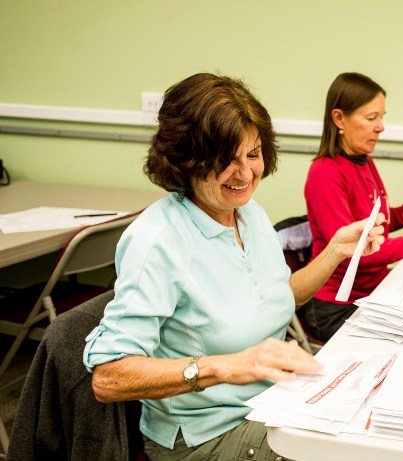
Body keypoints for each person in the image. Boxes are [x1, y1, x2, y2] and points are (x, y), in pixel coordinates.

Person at [82, 73, 385, 460]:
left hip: (273, 402)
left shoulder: (249, 214)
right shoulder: (159, 240)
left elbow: (278, 297)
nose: (245, 174)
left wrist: (336, 250)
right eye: (226, 160)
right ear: (186, 159)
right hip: (204, 436)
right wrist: (227, 367)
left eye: (253, 154)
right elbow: (108, 377)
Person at [302, 72, 403, 342]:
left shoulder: (362, 160)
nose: (380, 127)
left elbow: (379, 225)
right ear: (339, 118)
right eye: (371, 118)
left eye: (382, 117)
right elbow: (353, 252)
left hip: (371, 292)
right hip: (335, 306)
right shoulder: (325, 173)